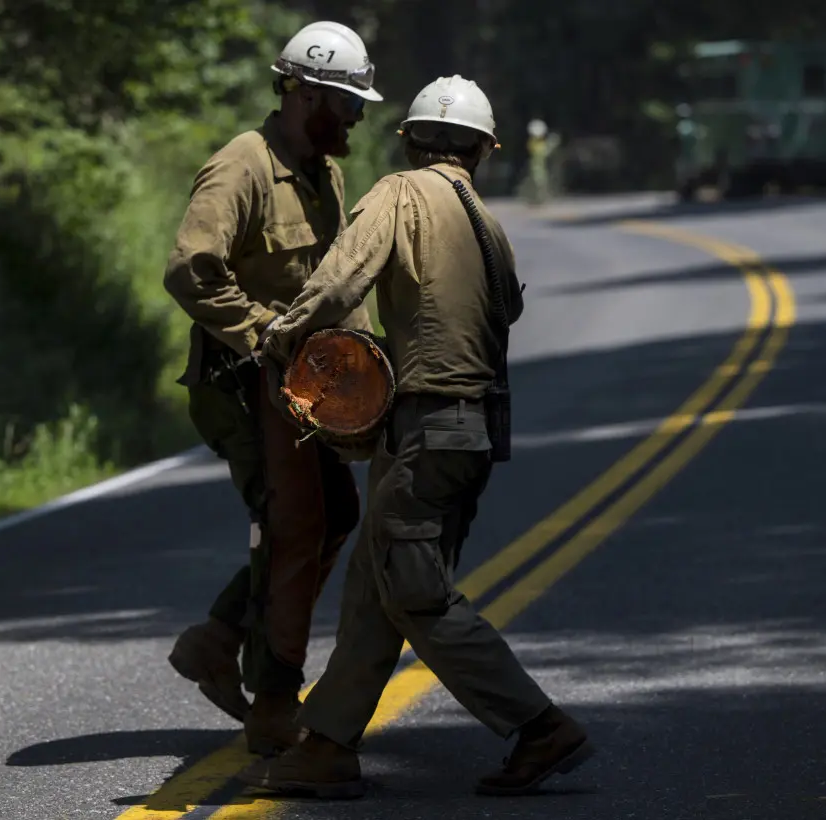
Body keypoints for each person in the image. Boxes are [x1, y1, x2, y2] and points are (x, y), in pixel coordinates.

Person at [237, 75, 594, 798]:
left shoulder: (400, 195)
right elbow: (511, 309)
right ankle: (327, 747)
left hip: (427, 430)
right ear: (483, 151)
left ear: (411, 139)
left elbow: (341, 281)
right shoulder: (489, 227)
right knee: (378, 591)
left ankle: (538, 724)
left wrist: (280, 335)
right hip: (470, 437)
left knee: (417, 593)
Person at [161, 20, 384, 756]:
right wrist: (262, 335)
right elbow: (191, 269)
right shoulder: (242, 167)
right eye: (347, 106)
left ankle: (219, 639)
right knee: (294, 530)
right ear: (304, 92)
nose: (354, 120)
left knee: (334, 513)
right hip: (245, 384)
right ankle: (275, 701)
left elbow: (330, 282)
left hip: (303, 390)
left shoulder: (324, 169)